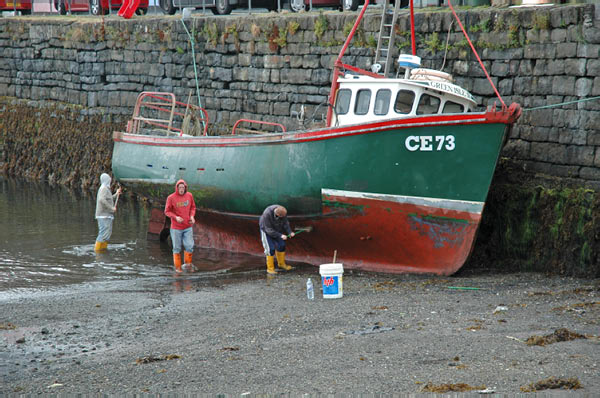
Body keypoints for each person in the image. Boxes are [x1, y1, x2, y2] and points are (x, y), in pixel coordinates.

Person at [164, 179, 196, 272]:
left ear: (185, 188)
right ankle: (178, 269)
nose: (181, 189)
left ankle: (188, 266)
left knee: (189, 246)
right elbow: (167, 211)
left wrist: (192, 216)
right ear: (177, 188)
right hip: (176, 228)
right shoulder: (171, 198)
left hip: (188, 227)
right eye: (180, 188)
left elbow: (193, 207)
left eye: (183, 187)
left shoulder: (189, 195)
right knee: (177, 248)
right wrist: (175, 217)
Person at [259, 205, 295, 274]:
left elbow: (285, 223)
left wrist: (289, 232)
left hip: (276, 229)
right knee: (270, 249)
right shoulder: (267, 214)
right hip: (266, 230)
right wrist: (280, 235)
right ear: (278, 215)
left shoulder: (282, 212)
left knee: (282, 245)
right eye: (282, 217)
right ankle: (270, 269)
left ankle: (281, 264)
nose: (284, 217)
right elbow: (268, 230)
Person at [94, 173, 122, 252]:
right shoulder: (103, 188)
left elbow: (109, 199)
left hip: (107, 215)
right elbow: (102, 200)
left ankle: (102, 249)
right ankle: (97, 251)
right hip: (103, 215)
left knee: (107, 234)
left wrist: (116, 194)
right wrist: (111, 208)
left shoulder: (106, 189)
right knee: (103, 234)